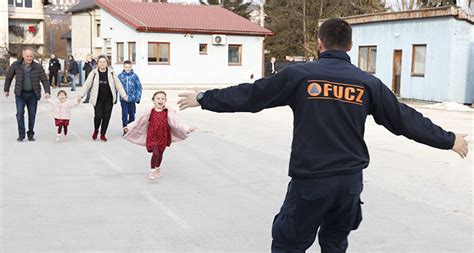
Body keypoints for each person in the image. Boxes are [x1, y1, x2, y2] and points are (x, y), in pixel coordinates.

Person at [177, 18, 469, 252]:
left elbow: (252, 96)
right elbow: (405, 119)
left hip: (311, 183)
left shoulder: (300, 76)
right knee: (334, 244)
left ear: (319, 44)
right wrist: (449, 139)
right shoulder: (367, 83)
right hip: (349, 187)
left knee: (288, 245)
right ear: (350, 46)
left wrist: (204, 98)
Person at [124, 91, 195, 180]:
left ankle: (157, 168)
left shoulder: (167, 112)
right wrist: (129, 127)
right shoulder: (150, 111)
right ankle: (152, 171)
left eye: (162, 99)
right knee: (156, 153)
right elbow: (140, 121)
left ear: (165, 100)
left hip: (163, 136)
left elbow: (176, 122)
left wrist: (187, 129)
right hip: (152, 136)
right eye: (158, 98)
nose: (160, 100)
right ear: (153, 100)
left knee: (160, 153)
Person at [4, 47, 51, 142]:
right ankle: (21, 134)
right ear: (23, 55)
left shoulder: (38, 66)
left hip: (33, 95)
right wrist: (6, 89)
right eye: (27, 56)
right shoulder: (16, 65)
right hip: (20, 94)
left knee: (32, 115)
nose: (29, 58)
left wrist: (47, 91)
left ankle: (30, 134)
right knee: (20, 114)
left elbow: (44, 80)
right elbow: (9, 77)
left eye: (31, 56)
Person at [79, 55, 128, 142]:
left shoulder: (112, 73)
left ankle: (103, 134)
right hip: (97, 98)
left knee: (106, 116)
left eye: (104, 62)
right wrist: (81, 95)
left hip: (109, 99)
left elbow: (118, 85)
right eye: (100, 62)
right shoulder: (93, 73)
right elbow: (87, 84)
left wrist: (124, 95)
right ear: (97, 63)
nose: (102, 63)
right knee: (98, 115)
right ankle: (96, 129)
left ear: (107, 63)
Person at [118, 60, 142, 135]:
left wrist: (137, 98)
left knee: (132, 115)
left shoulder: (134, 76)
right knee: (124, 114)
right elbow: (117, 87)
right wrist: (114, 98)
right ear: (123, 67)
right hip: (123, 99)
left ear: (131, 67)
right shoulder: (120, 76)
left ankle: (130, 128)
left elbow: (139, 87)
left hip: (132, 99)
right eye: (126, 67)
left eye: (129, 67)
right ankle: (125, 130)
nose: (127, 68)